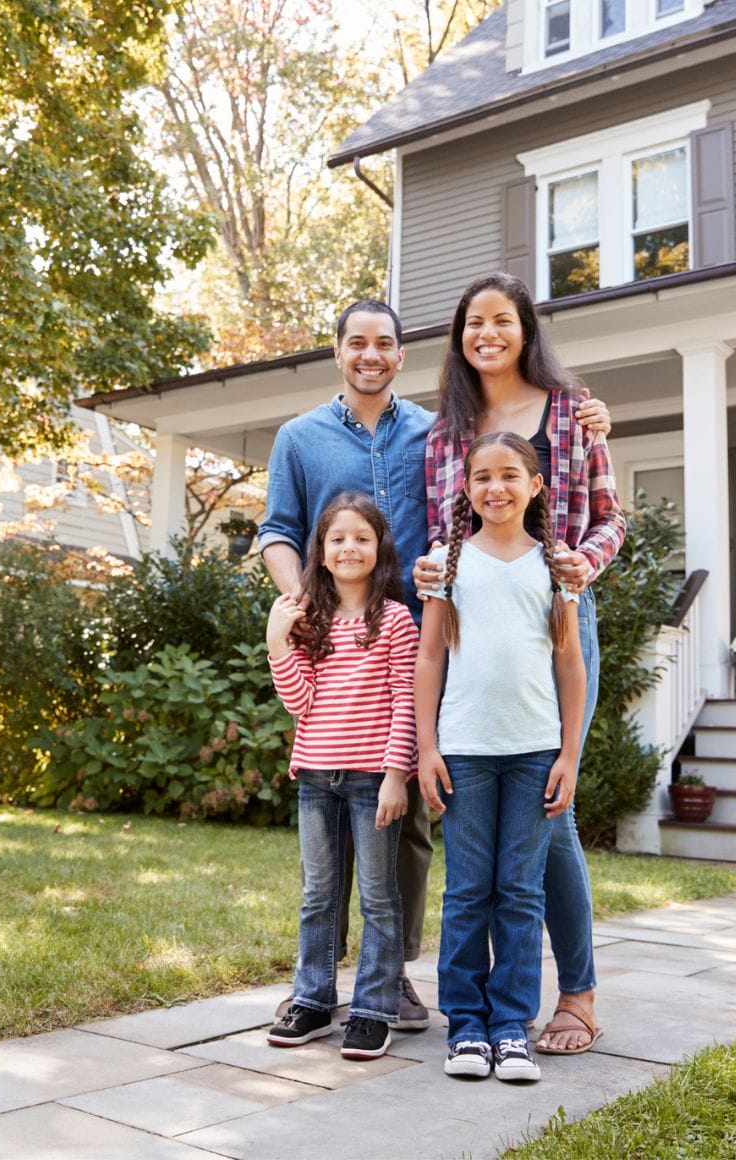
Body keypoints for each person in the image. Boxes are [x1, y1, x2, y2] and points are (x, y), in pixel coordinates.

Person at [259, 299, 611, 1032]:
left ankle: (562, 993)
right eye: (356, 341)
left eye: (385, 342)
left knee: (531, 810)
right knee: (408, 804)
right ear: (335, 350)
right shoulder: (404, 432)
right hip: (398, 639)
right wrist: (305, 610)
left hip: (513, 622)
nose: (370, 354)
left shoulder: (531, 417)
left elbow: (598, 513)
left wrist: (581, 562)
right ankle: (362, 983)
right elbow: (287, 532)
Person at [415, 271, 625, 1056]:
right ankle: (487, 1010)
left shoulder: (574, 410)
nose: (488, 334)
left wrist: (581, 565)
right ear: (460, 336)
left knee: (553, 805)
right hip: (472, 627)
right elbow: (438, 538)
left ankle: (577, 995)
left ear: (525, 329)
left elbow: (610, 518)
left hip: (559, 614)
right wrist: (428, 577)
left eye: (503, 321)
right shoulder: (445, 432)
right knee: (483, 861)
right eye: (474, 322)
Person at [415, 432, 586, 1082]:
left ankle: (512, 1027)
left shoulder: (556, 568)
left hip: (534, 753)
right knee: (466, 893)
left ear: (536, 485)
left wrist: (569, 754)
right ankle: (466, 1027)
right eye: (482, 476)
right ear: (466, 488)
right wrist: (428, 747)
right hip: (465, 752)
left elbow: (569, 664)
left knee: (518, 892)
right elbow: (429, 658)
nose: (496, 487)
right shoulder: (447, 563)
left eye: (510, 475)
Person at [265, 492, 417, 1061]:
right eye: (337, 539)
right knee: (318, 895)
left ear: (379, 549)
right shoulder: (309, 621)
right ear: (321, 554)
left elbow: (405, 700)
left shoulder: (396, 619)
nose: (349, 547)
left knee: (378, 896)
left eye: (362, 537)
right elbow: (299, 701)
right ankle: (313, 998)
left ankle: (374, 1008)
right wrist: (277, 639)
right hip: (315, 777)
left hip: (371, 777)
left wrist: (395, 775)